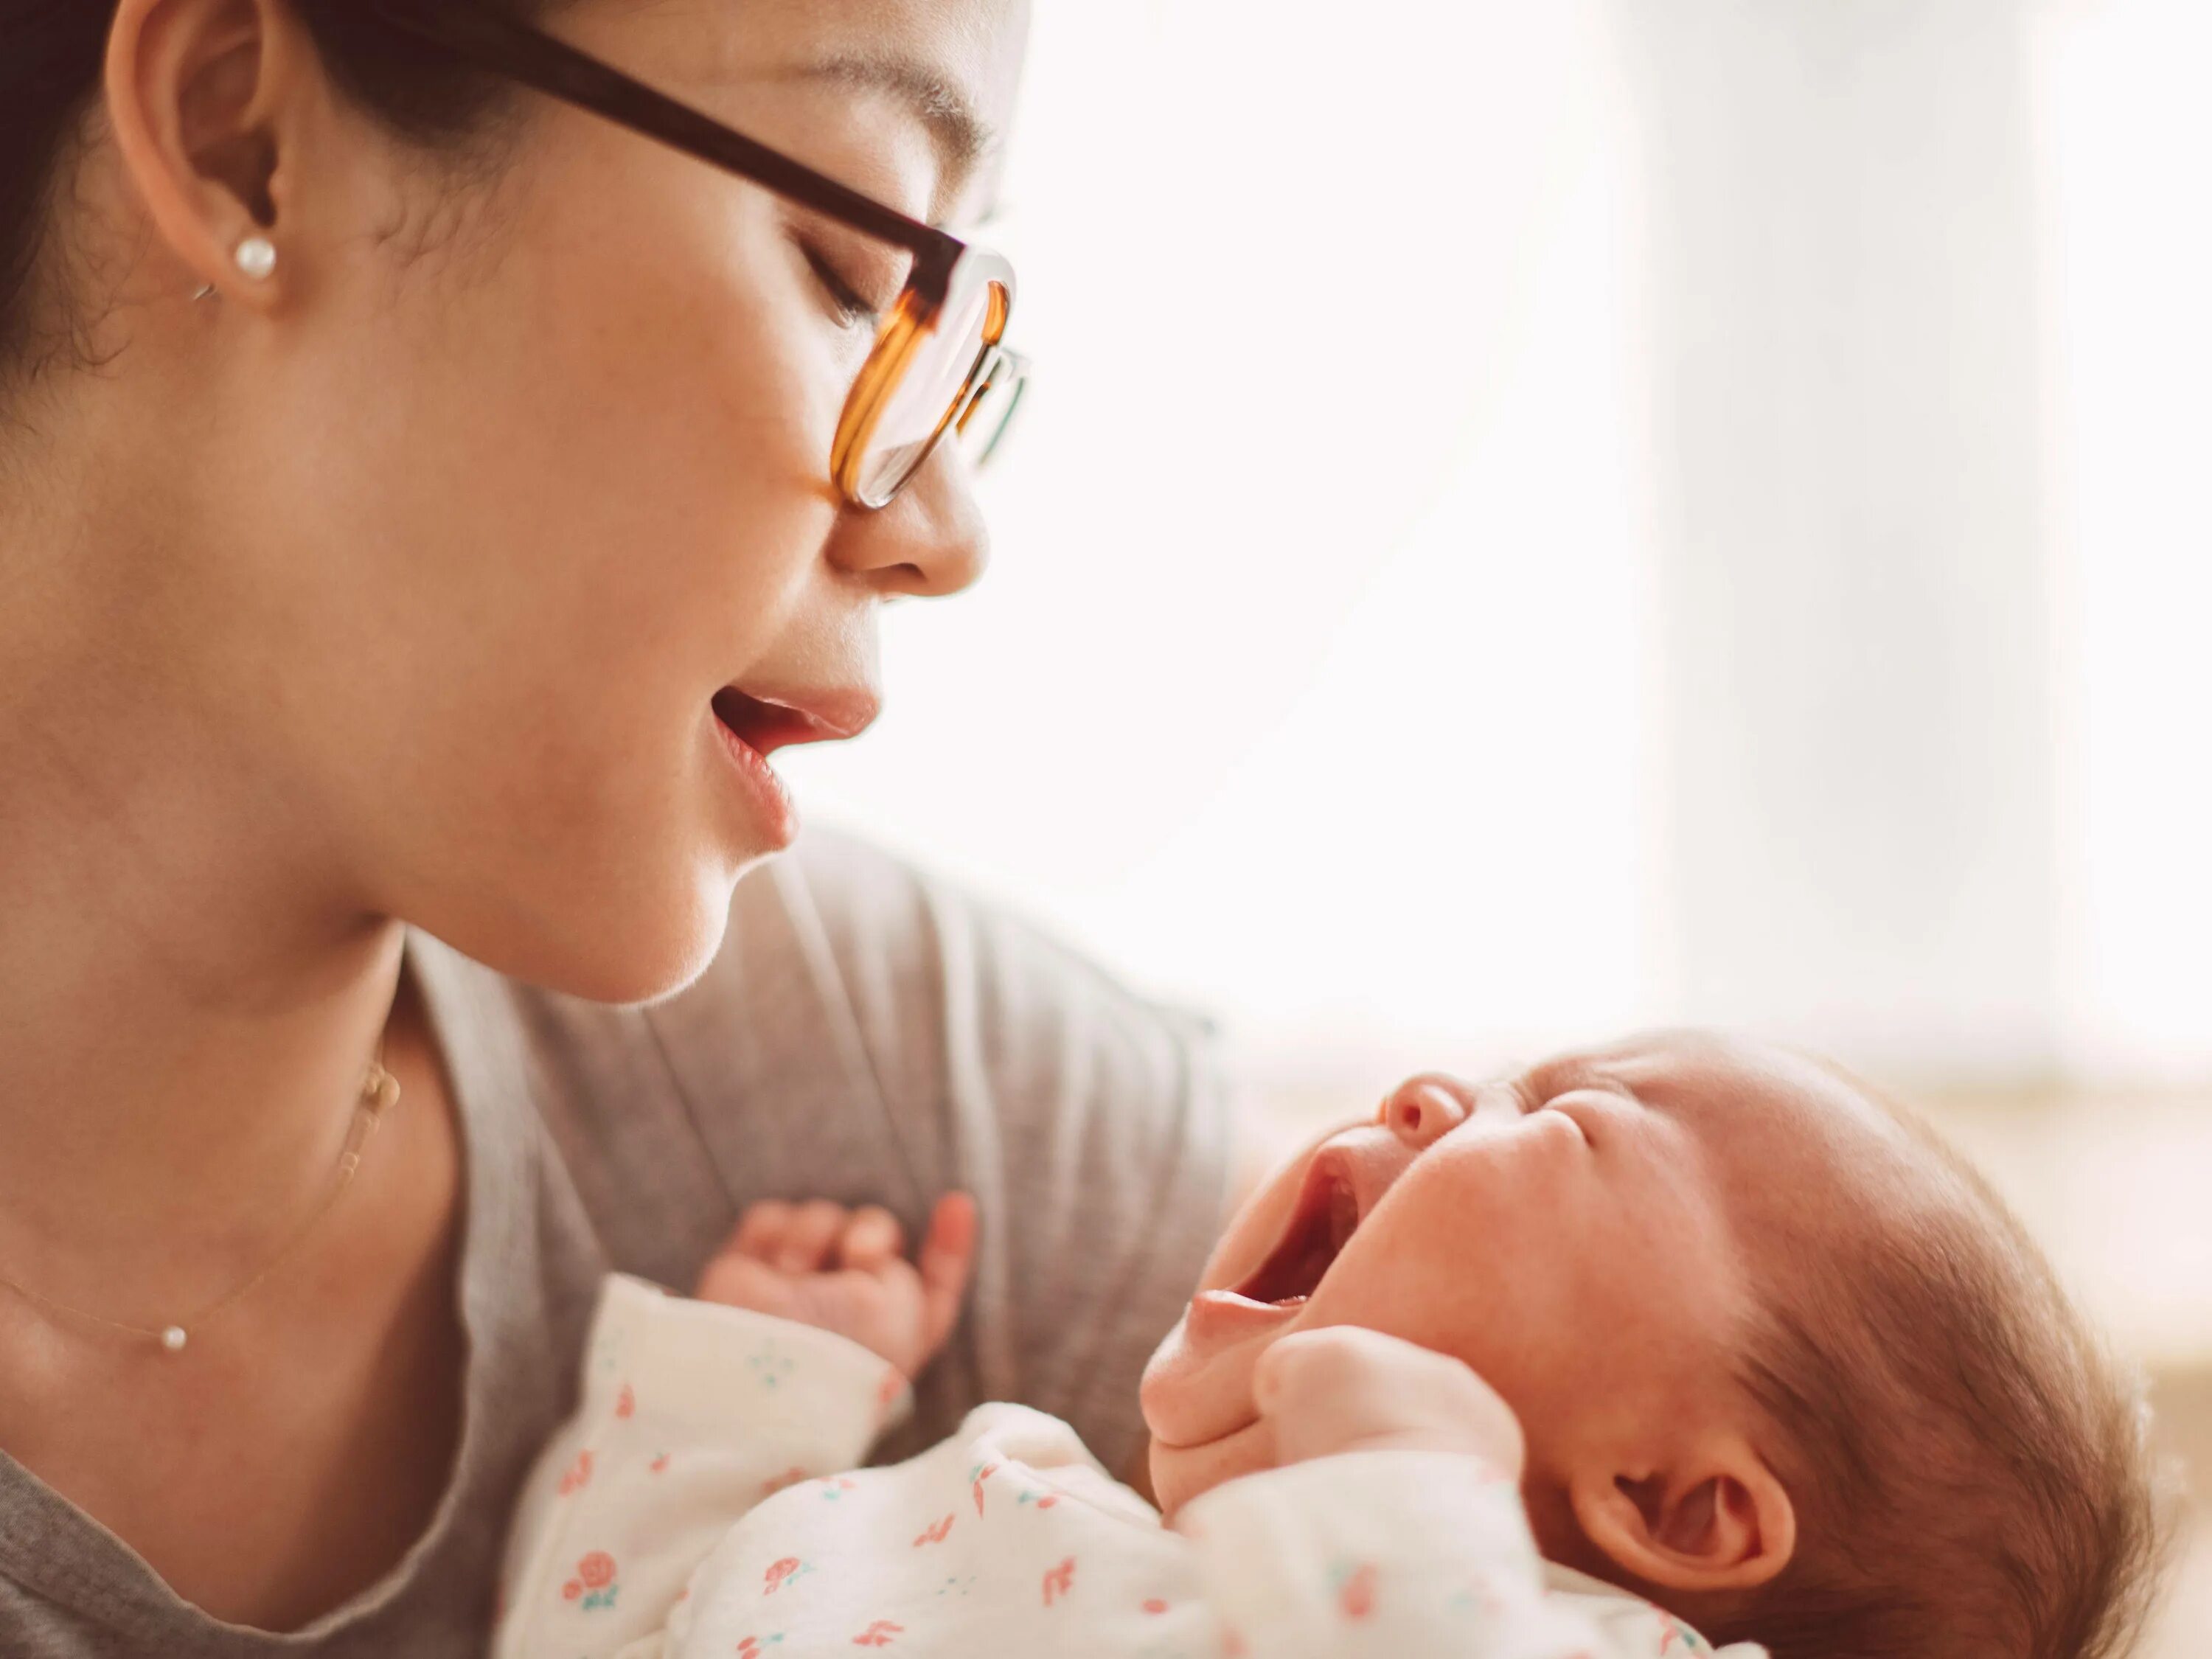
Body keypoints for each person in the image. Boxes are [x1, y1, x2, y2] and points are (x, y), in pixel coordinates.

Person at [0, 2, 1231, 1655]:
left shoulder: (909, 1107)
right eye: (851, 269)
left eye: (954, 339)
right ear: (243, 136)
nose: (944, 529)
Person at [490, 1033, 2169, 1659]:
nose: (1431, 1091)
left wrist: (1403, 1503)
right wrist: (741, 1405)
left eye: (1569, 1126)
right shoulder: (995, 1514)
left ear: (1673, 1507)